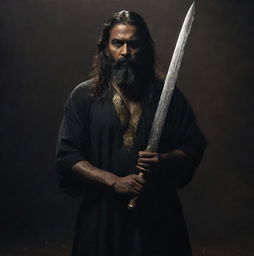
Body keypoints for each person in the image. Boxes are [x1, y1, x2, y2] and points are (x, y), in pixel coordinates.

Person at [56, 10, 207, 256]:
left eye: (133, 44)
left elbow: (193, 144)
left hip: (158, 219)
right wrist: (113, 181)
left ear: (144, 48)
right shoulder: (84, 98)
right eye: (118, 43)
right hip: (102, 219)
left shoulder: (167, 97)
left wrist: (167, 160)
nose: (125, 52)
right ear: (105, 48)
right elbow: (67, 156)